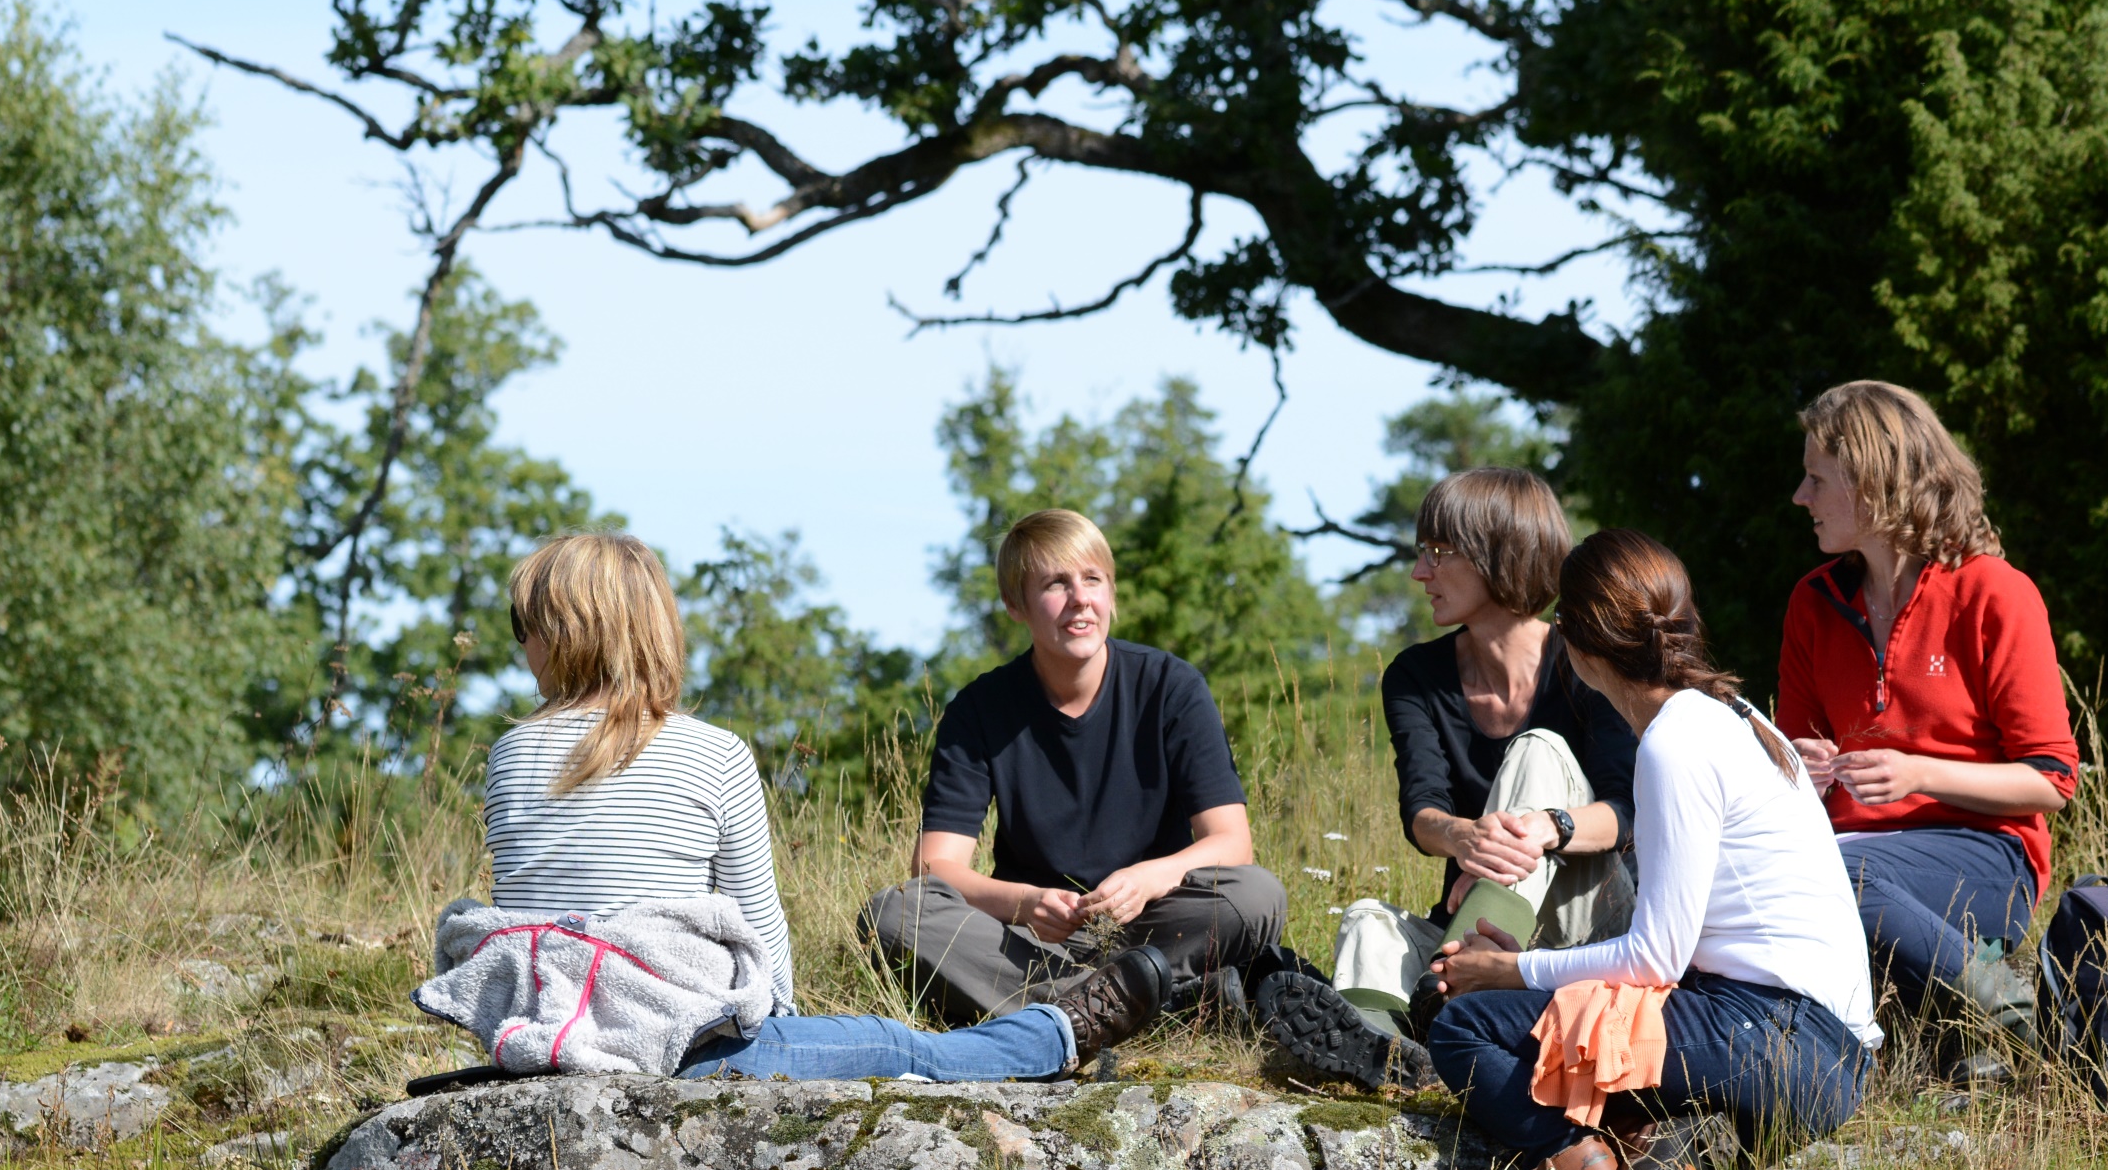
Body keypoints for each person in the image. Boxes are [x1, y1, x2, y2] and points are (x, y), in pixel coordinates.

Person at [485, 530, 1156, 1084]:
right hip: (680, 1045)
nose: (521, 645)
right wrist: (780, 1020)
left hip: (545, 1035)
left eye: (526, 626)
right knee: (895, 1047)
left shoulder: (508, 755)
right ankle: (1050, 1036)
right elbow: (759, 925)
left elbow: (524, 909)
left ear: (567, 634)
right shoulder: (713, 752)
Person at [1424, 530, 1877, 1170]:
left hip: (1778, 1037)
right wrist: (1533, 981)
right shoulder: (1737, 717)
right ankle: (1657, 1157)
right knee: (1528, 1018)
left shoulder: (1672, 743)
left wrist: (1511, 969)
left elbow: (1655, 958)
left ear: (1578, 643)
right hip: (1825, 1051)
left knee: (1462, 1027)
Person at [1260, 467, 1636, 1092]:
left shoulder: (1587, 657)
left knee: (1537, 749)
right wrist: (1466, 838)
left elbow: (1625, 812)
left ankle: (1443, 996)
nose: (1419, 573)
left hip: (1586, 926)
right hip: (1475, 921)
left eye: (1438, 554)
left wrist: (1548, 826)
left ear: (1499, 556)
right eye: (1420, 554)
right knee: (1366, 920)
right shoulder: (1416, 674)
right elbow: (1422, 811)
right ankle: (1386, 1057)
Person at [859, 509, 1287, 1037]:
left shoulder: (1172, 686)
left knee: (1257, 895)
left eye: (1093, 580)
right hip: (1034, 941)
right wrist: (1024, 902)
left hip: (1153, 927)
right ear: (1016, 605)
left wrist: (1150, 878)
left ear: (1110, 594)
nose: (1080, 598)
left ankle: (1069, 1012)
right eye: (1056, 584)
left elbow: (1232, 843)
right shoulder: (979, 709)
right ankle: (1153, 1005)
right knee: (895, 914)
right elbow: (934, 869)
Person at [1778, 381, 2080, 1081]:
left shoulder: (1993, 592)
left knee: (1835, 875)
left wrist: (1918, 773)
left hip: (1984, 854)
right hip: (1849, 853)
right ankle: (1947, 1036)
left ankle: (2015, 1014)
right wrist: (1798, 766)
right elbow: (1791, 776)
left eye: (1817, 479)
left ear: (1874, 484)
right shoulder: (1813, 604)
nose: (1801, 496)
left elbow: (2051, 779)